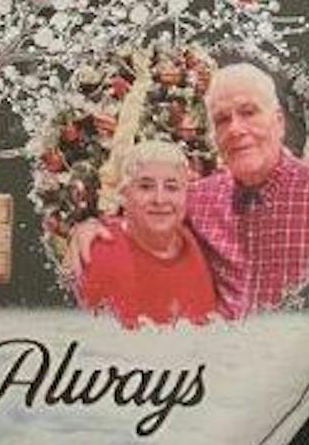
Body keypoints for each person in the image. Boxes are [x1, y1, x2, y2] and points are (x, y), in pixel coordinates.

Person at [69, 63, 309, 319]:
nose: (235, 129)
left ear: (279, 122)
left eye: (248, 112)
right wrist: (90, 229)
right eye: (222, 120)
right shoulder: (199, 199)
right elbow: (145, 218)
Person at [75, 140, 217, 328]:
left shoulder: (191, 241)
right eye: (146, 187)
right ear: (124, 194)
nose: (160, 199)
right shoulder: (103, 250)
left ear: (186, 194)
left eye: (172, 187)